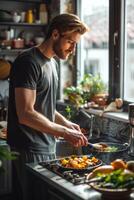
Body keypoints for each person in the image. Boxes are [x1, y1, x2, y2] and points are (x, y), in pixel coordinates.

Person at [7, 13, 89, 200]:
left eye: (76, 44)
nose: (73, 49)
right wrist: (64, 132)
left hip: (46, 146)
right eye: (70, 42)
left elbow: (44, 108)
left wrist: (67, 123)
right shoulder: (28, 62)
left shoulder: (52, 63)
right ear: (55, 35)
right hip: (28, 147)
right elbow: (26, 113)